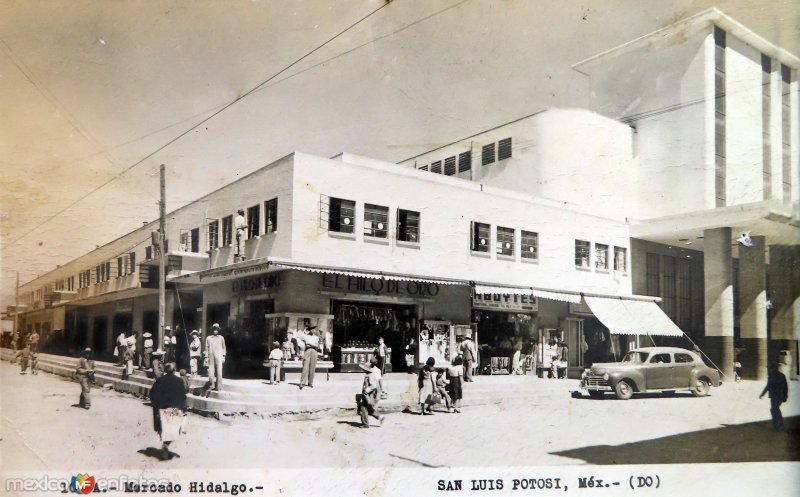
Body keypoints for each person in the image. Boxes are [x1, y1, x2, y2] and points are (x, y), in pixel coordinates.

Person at [149, 362, 187, 459]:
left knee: (165, 430)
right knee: (174, 431)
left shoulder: (160, 380)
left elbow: (152, 394)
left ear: (165, 370)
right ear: (175, 371)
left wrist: (156, 405)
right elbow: (183, 396)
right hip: (175, 410)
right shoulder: (179, 381)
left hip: (162, 409)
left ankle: (165, 445)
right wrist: (183, 408)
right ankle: (166, 445)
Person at [760, 362, 789, 431]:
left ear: (773, 368)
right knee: (775, 409)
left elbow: (768, 386)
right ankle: (778, 424)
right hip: (779, 396)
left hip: (775, 396)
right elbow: (786, 387)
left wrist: (762, 394)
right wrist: (785, 396)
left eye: (769, 368)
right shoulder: (782, 375)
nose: (768, 369)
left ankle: (778, 425)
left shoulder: (772, 376)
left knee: (774, 410)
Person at [357, 361, 385, 428]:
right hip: (367, 395)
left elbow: (373, 385)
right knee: (369, 409)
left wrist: (366, 391)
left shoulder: (370, 375)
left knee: (363, 408)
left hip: (368, 395)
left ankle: (365, 424)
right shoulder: (369, 375)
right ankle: (380, 417)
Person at [205, 323, 226, 390]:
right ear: (212, 330)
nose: (215, 331)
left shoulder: (221, 338)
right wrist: (206, 357)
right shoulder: (208, 338)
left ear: (218, 330)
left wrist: (223, 356)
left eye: (217, 329)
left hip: (219, 355)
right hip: (211, 355)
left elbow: (224, 347)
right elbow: (206, 348)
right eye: (214, 329)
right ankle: (211, 385)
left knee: (219, 370)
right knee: (211, 371)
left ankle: (219, 386)